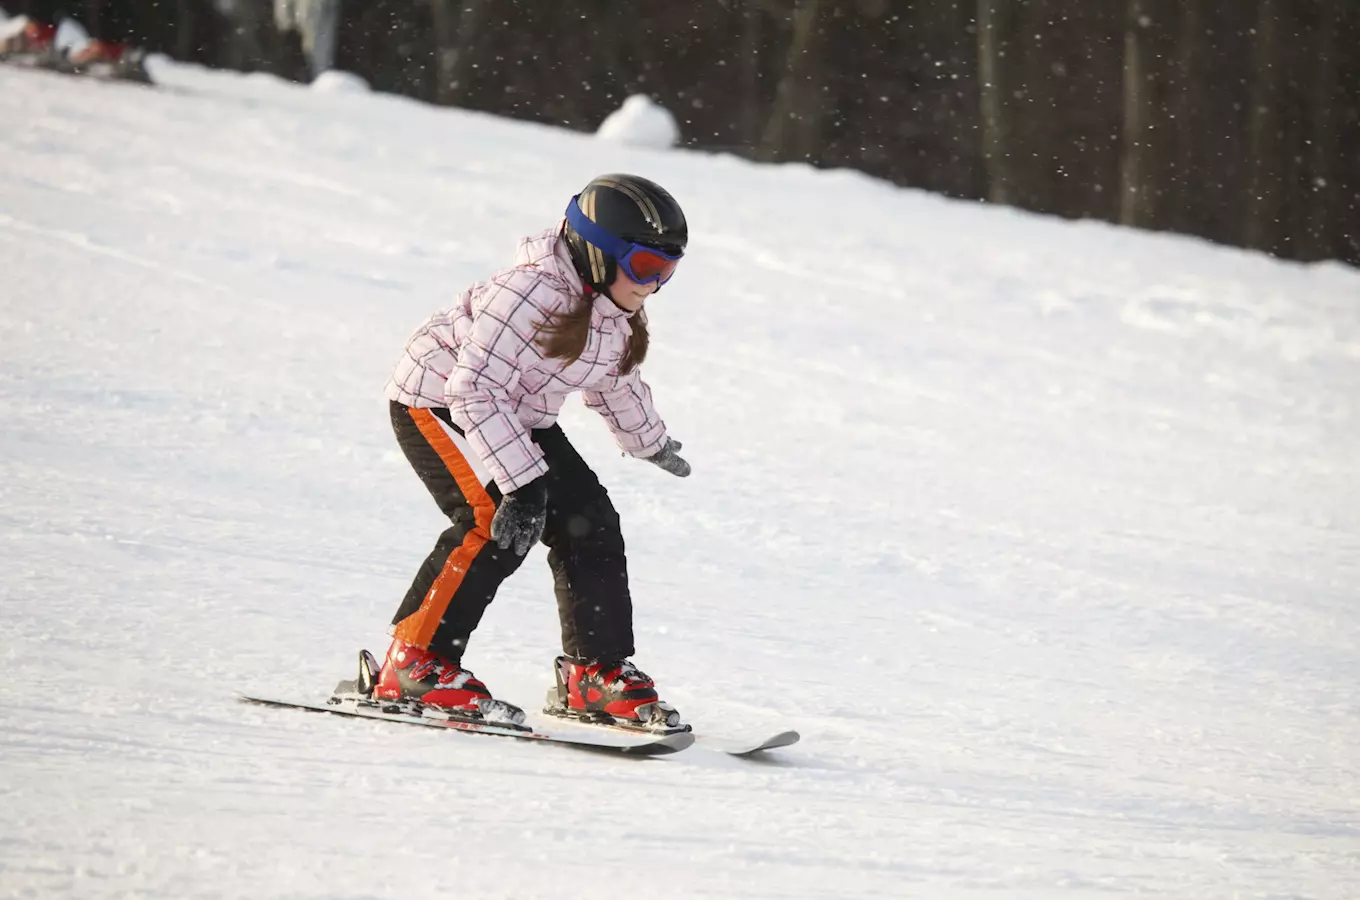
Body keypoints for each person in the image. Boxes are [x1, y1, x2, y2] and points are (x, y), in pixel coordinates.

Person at [380, 174, 692, 727]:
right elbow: (472, 387)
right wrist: (521, 486)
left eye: (669, 271)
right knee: (493, 518)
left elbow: (614, 383)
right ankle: (415, 663)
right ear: (599, 255)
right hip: (439, 399)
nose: (656, 284)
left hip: (517, 412)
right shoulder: (528, 293)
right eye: (646, 267)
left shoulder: (612, 309)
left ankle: (594, 674)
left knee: (589, 521)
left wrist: (650, 442)